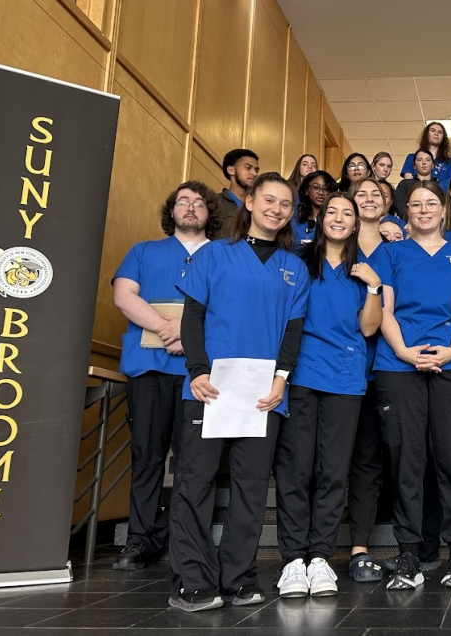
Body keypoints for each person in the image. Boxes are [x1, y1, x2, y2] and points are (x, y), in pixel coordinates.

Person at [168, 172, 308, 612]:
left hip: (263, 393)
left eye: (286, 204)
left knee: (250, 487)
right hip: (209, 386)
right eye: (269, 200)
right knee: (195, 481)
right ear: (248, 202)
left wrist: (281, 379)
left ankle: (239, 578)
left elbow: (292, 332)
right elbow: (192, 319)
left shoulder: (294, 267)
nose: (277, 209)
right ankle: (193, 579)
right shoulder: (214, 255)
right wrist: (197, 369)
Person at [371, 181, 451, 590]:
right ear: (406, 211)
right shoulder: (390, 252)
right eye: (415, 204)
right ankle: (409, 554)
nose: (423, 210)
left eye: (430, 203)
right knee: (407, 461)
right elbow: (383, 307)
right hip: (399, 365)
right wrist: (404, 351)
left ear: (443, 210)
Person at [273, 191, 384, 598]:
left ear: (357, 224)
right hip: (299, 375)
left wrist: (374, 288)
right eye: (331, 212)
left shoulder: (363, 271)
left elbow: (370, 329)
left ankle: (320, 556)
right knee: (296, 467)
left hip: (345, 378)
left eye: (347, 214)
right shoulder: (298, 262)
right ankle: (292, 560)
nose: (339, 219)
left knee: (334, 470)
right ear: (320, 219)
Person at [112, 181, 220, 571]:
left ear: (211, 212)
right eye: (182, 202)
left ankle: (188, 539)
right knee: (147, 456)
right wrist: (167, 327)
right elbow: (124, 295)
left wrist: (189, 336)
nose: (190, 208)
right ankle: (141, 540)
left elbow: (232, 307)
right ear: (171, 211)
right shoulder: (143, 251)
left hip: (202, 373)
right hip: (150, 367)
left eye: (199, 203)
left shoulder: (223, 255)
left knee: (195, 461)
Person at [345, 177, 395, 583]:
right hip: (338, 370)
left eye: (375, 194)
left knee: (368, 459)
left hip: (384, 367)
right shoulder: (335, 248)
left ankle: (360, 545)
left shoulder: (397, 251)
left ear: (387, 203)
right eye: (360, 194)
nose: (367, 200)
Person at [292, 170, 337, 246]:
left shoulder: (334, 219)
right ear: (306, 189)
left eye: (325, 189)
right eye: (316, 187)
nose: (321, 192)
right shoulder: (294, 215)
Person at [218, 149, 259, 222]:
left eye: (256, 170)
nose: (254, 173)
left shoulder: (258, 203)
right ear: (231, 170)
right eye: (248, 168)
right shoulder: (215, 202)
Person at [393, 148, 437, 215]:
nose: (424, 162)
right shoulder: (404, 185)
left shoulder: (440, 185)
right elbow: (400, 207)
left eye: (428, 160)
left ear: (433, 165)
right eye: (419, 160)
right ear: (414, 165)